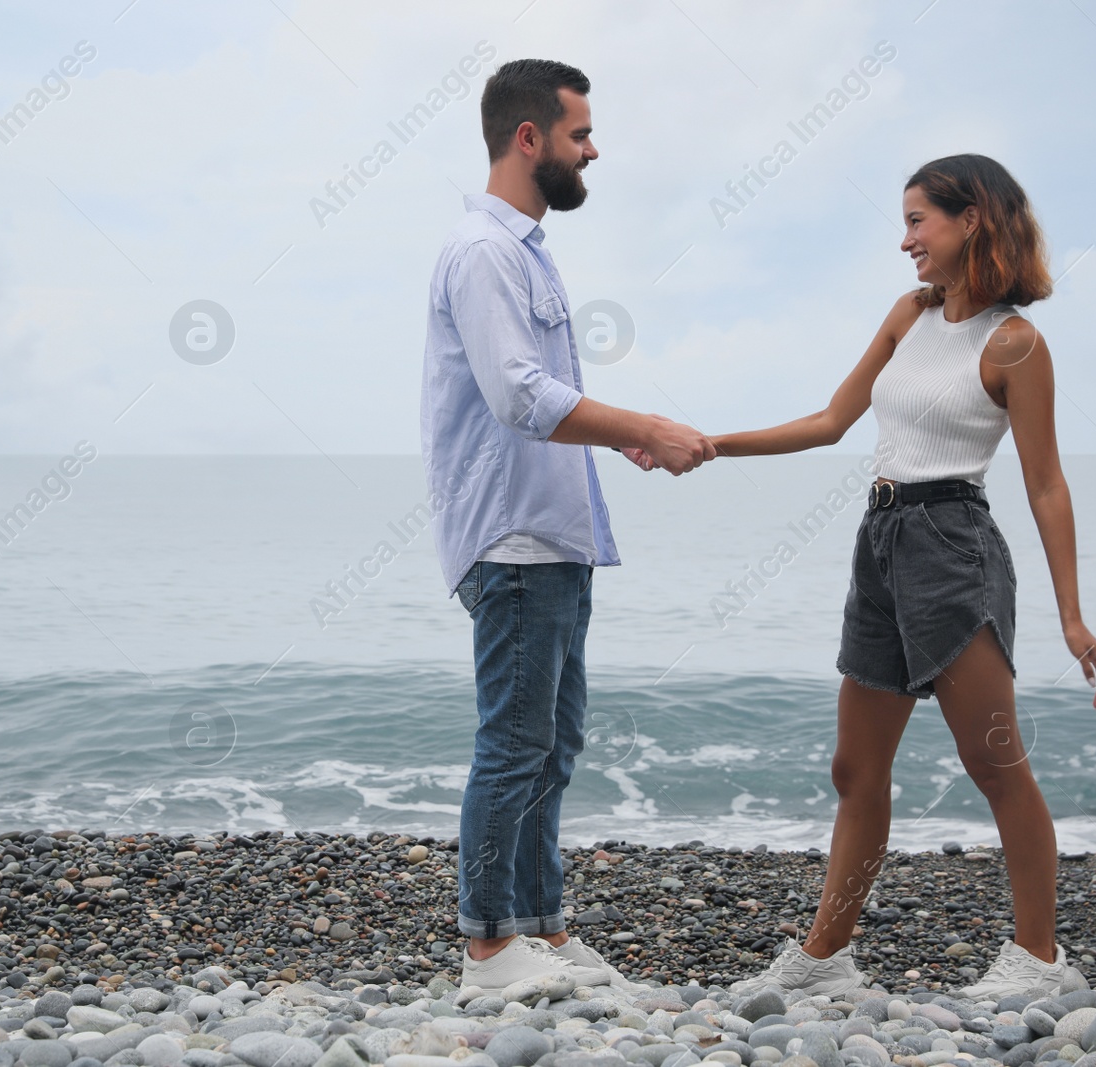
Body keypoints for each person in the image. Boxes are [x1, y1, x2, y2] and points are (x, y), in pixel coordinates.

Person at [658, 154, 1096, 998]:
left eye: (917, 221)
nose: (905, 240)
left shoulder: (1015, 342)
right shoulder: (911, 315)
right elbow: (833, 421)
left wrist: (1074, 615)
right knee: (853, 767)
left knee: (994, 762)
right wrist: (715, 442)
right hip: (881, 541)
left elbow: (1046, 483)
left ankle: (1041, 960)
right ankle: (826, 960)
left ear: (970, 218)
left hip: (952, 545)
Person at [420, 58, 713, 992]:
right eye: (581, 134)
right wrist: (644, 427)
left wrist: (611, 445)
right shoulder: (483, 251)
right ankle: (487, 947)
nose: (594, 149)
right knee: (512, 742)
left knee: (556, 741)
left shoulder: (528, 251)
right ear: (529, 138)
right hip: (512, 540)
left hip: (555, 537)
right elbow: (517, 395)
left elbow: (542, 403)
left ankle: (537, 928)